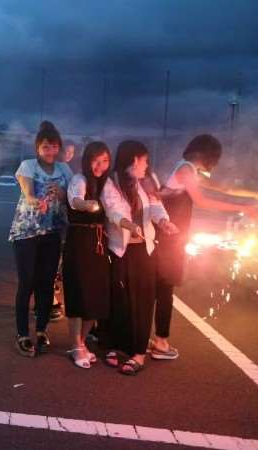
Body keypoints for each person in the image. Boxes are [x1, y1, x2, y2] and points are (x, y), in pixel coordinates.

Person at [153, 134, 258, 359]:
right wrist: (242, 207)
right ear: (207, 155)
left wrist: (251, 197)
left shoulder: (188, 169)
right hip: (169, 236)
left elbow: (219, 188)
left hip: (170, 234)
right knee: (164, 288)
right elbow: (202, 200)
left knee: (161, 288)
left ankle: (154, 339)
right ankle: (160, 342)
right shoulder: (186, 169)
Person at [100, 140, 178, 375]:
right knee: (118, 300)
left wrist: (163, 222)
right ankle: (114, 345)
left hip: (144, 251)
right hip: (119, 250)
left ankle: (139, 353)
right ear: (134, 160)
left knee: (143, 301)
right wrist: (129, 226)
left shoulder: (146, 180)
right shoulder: (111, 182)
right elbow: (113, 211)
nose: (146, 165)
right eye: (144, 160)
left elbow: (156, 205)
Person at [9, 121, 72, 356]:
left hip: (53, 232)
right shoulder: (28, 165)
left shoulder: (65, 170)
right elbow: (27, 190)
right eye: (45, 146)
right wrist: (34, 199)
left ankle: (42, 330)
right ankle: (22, 333)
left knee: (46, 283)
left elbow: (72, 197)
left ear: (59, 148)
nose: (50, 151)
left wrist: (62, 193)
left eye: (54, 146)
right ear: (38, 148)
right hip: (27, 231)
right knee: (26, 282)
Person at [63, 142, 112, 368]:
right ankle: (75, 345)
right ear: (86, 160)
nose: (100, 166)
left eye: (104, 161)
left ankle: (81, 342)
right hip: (80, 241)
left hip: (99, 244)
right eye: (95, 160)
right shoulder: (79, 179)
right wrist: (87, 204)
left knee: (96, 295)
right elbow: (75, 201)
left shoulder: (107, 183)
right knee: (78, 292)